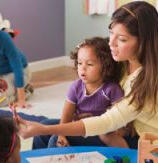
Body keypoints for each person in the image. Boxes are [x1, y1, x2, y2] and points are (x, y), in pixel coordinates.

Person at [18, 1, 158, 149]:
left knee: (54, 139)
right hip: (120, 128)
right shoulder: (123, 62)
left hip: (142, 142)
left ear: (143, 42)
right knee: (44, 130)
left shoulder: (147, 81)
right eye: (111, 34)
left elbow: (106, 122)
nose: (111, 43)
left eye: (122, 39)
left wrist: (49, 130)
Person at [34, 37, 128, 149]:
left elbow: (122, 117)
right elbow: (67, 116)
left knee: (55, 139)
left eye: (89, 64)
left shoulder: (111, 89)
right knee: (43, 126)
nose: (82, 68)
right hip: (80, 125)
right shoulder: (76, 87)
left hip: (100, 132)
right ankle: (33, 162)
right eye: (79, 63)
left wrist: (120, 130)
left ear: (105, 66)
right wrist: (62, 134)